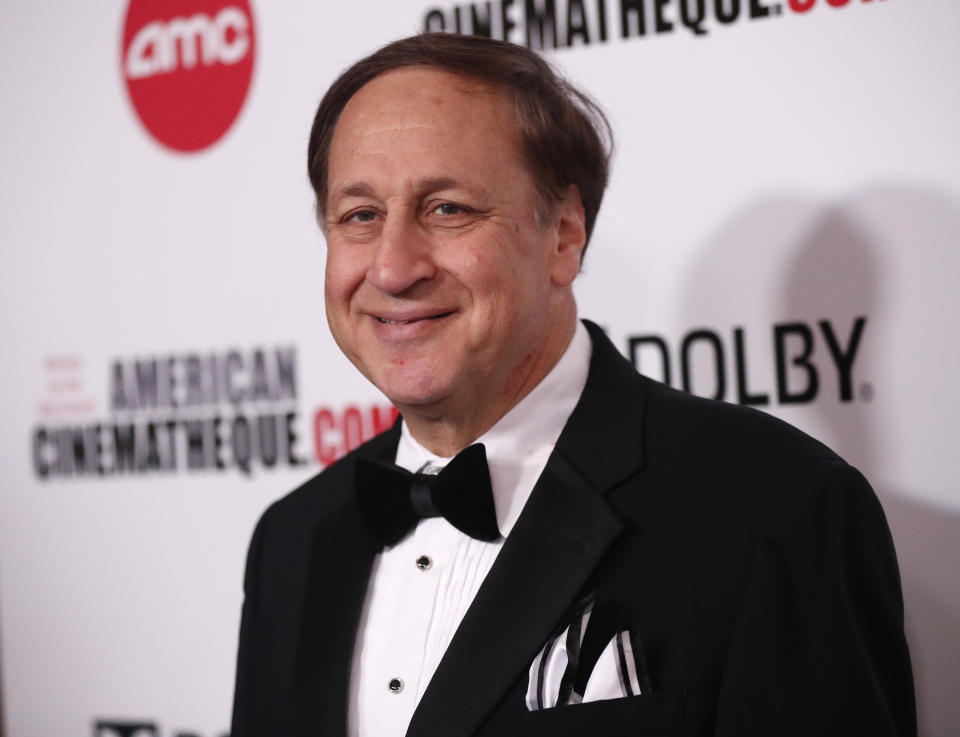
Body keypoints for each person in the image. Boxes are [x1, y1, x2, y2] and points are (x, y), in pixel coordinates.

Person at [230, 33, 915, 737]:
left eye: (448, 209)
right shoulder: (290, 540)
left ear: (563, 236)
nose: (394, 267)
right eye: (361, 215)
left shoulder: (775, 508)